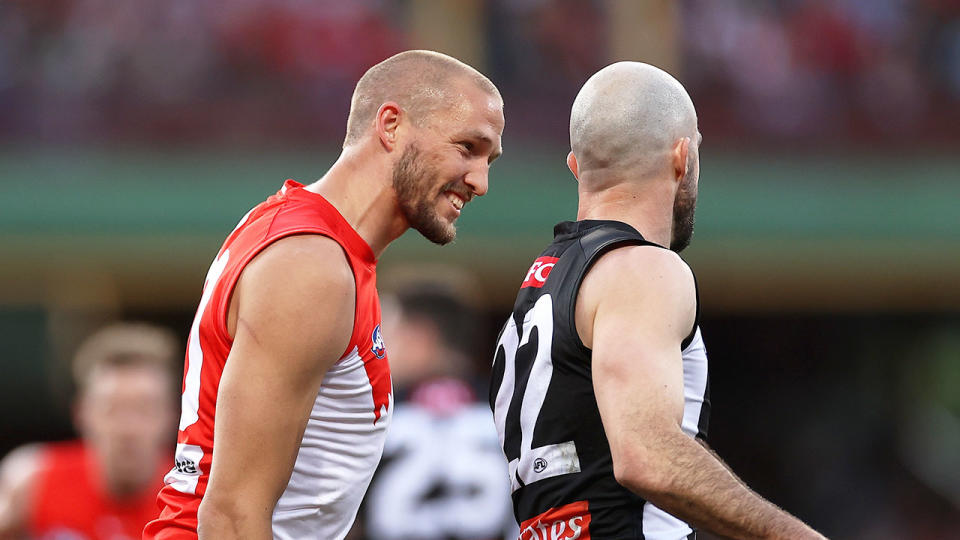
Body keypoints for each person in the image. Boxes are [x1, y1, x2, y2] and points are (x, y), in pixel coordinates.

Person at [143, 50, 504, 540]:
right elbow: (231, 513)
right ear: (391, 126)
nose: (480, 181)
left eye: (489, 160)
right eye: (467, 147)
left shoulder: (327, 251)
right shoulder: (312, 266)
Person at [489, 62, 825, 539]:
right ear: (682, 157)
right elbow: (647, 459)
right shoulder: (643, 269)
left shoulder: (542, 283)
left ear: (575, 166)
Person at [360, 280, 517, 540]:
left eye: (384, 336)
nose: (377, 350)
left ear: (419, 338)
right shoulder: (510, 409)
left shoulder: (375, 415)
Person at [0, 323, 178, 540]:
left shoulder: (195, 499)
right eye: (111, 409)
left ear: (171, 416)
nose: (128, 428)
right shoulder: (33, 481)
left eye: (144, 409)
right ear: (81, 414)